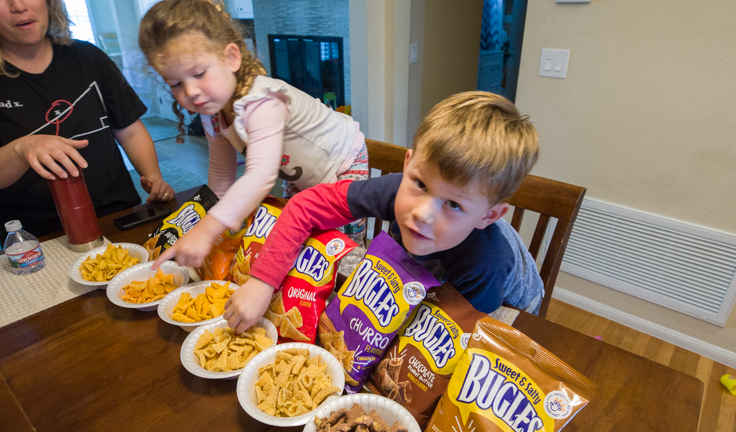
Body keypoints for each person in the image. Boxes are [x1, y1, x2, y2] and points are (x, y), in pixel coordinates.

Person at [223, 91, 545, 333]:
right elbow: (306, 206)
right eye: (420, 184)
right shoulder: (394, 190)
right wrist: (262, 282)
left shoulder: (487, 261)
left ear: (489, 215)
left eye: (454, 204)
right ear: (408, 165)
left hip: (505, 308)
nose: (423, 213)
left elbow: (461, 338)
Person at [140, 0, 368, 270]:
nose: (190, 92)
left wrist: (208, 230)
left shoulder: (263, 101)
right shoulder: (212, 112)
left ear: (231, 58)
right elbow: (221, 181)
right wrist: (199, 223)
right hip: (298, 172)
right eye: (176, 84)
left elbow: (260, 175)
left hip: (342, 162)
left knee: (340, 253)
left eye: (199, 73)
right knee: (300, 245)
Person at [0, 0, 176, 240]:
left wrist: (153, 175)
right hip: (38, 237)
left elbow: (129, 129)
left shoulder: (88, 56)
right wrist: (21, 149)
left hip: (120, 215)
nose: (18, 6)